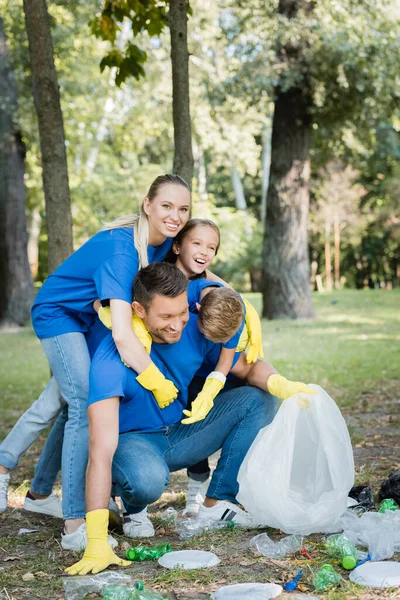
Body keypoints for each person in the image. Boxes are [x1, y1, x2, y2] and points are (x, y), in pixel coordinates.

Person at [65, 262, 314, 576]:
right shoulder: (111, 360)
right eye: (166, 317)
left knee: (257, 398)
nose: (177, 325)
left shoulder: (193, 327)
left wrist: (283, 384)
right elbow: (99, 452)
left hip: (181, 432)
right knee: (147, 481)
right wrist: (97, 538)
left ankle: (218, 502)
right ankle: (130, 502)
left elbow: (247, 368)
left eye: (182, 313)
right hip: (133, 443)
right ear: (139, 311)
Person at [0, 174, 191, 551]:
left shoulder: (163, 243)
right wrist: (154, 379)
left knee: (60, 399)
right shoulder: (122, 250)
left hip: (91, 317)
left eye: (183, 208)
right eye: (166, 206)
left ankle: (37, 494)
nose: (175, 215)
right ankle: (75, 523)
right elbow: (123, 334)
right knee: (82, 397)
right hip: (60, 315)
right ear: (147, 205)